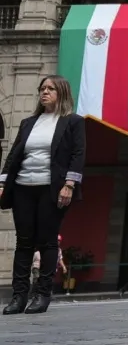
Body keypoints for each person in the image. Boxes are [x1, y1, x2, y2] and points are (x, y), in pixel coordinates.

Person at [1, 75, 85, 316]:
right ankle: (18, 296)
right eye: (42, 88)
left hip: (52, 188)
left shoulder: (73, 122)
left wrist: (69, 184)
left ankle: (42, 294)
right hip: (22, 186)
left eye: (50, 88)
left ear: (62, 93)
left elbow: (78, 155)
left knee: (47, 241)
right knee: (24, 241)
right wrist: (2, 182)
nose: (44, 92)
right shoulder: (29, 123)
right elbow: (14, 155)